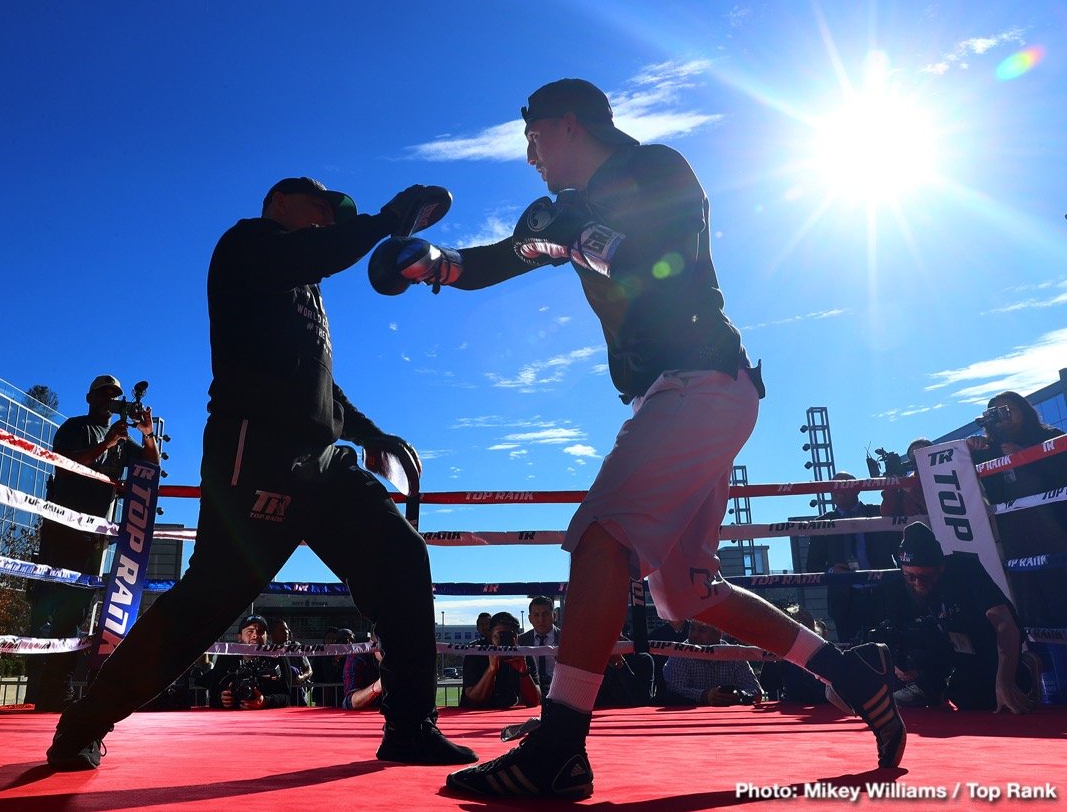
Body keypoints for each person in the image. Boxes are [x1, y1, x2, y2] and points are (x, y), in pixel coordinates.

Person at [369, 79, 904, 798]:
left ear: (564, 125)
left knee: (600, 537)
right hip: (686, 392)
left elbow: (662, 267)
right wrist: (433, 265)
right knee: (687, 591)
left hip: (702, 378)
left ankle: (560, 745)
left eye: (532, 138)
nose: (528, 155)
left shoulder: (655, 169)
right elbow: (496, 261)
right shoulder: (563, 212)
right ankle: (849, 671)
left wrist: (574, 238)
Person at [46, 176, 476, 769]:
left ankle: (410, 726)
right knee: (210, 599)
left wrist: (375, 436)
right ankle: (84, 721)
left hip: (324, 460)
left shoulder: (307, 287)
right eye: (320, 205)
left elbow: (321, 389)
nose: (328, 218)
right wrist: (386, 221)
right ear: (279, 201)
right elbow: (319, 251)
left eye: (335, 213)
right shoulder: (249, 244)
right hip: (259, 452)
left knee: (403, 557)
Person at [26, 374, 159, 712]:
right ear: (89, 397)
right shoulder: (76, 427)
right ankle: (42, 689)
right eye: (103, 395)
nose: (108, 401)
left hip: (94, 535)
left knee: (78, 609)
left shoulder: (121, 436)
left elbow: (151, 464)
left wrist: (147, 435)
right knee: (49, 606)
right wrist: (107, 445)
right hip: (63, 527)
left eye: (113, 396)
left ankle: (57, 689)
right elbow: (65, 465)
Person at [876, 523, 1039, 713]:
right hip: (946, 648)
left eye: (925, 576)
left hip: (983, 643)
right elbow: (893, 635)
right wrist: (899, 664)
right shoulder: (897, 588)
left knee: (979, 700)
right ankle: (928, 687)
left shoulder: (966, 570)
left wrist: (1005, 681)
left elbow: (1004, 623)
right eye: (910, 576)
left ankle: (1024, 667)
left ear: (941, 567)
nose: (918, 583)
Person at [966, 392, 1067, 631]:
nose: (1005, 418)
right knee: (1027, 597)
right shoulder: (987, 449)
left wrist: (1025, 457)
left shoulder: (1050, 436)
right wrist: (968, 451)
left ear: (1024, 410)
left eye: (1009, 410)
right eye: (996, 413)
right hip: (1014, 533)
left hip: (1056, 524)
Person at [805, 472, 899, 643]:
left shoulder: (878, 512)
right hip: (846, 602)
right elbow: (812, 566)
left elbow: (897, 548)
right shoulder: (822, 523)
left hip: (884, 594)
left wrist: (903, 580)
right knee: (854, 655)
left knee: (892, 650)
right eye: (833, 487)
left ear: (857, 490)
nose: (838, 491)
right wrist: (832, 571)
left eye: (843, 485)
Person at [660, 622, 764, 706]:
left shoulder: (734, 655)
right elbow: (673, 690)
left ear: (718, 633)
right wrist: (705, 695)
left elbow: (756, 690)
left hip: (730, 720)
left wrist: (739, 695)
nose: (694, 635)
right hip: (688, 721)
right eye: (692, 629)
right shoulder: (679, 654)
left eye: (702, 630)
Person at [201, 615, 291, 710]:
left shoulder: (278, 656)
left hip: (266, 716)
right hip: (232, 716)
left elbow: (286, 697)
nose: (255, 635)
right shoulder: (226, 657)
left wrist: (265, 701)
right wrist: (222, 699)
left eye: (260, 631)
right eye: (250, 631)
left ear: (267, 636)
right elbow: (213, 695)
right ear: (239, 637)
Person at [459, 612, 541, 709]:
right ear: (491, 635)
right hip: (472, 714)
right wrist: (491, 669)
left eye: (510, 635)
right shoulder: (476, 653)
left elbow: (534, 701)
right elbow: (473, 699)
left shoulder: (524, 655)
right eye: (500, 635)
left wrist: (523, 672)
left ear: (517, 637)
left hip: (508, 712)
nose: (505, 640)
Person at [517, 596, 560, 688]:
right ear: (529, 618)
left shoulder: (566, 640)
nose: (541, 619)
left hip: (560, 690)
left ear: (555, 616)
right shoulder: (520, 641)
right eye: (536, 615)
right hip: (530, 690)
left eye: (546, 614)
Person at [268, 617, 312, 706]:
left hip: (297, 697)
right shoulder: (266, 650)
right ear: (272, 634)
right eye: (281, 630)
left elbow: (309, 670)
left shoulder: (295, 646)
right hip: (277, 696)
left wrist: (301, 678)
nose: (286, 632)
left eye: (287, 629)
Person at [343, 629, 384, 710]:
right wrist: (378, 686)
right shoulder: (358, 656)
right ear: (372, 643)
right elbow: (351, 702)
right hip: (365, 715)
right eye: (384, 646)